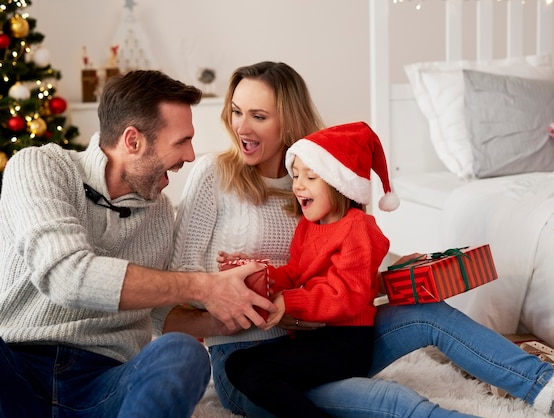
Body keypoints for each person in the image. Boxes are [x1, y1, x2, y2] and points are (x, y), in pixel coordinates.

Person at [161, 61, 554, 417]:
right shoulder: (214, 174)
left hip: (328, 340)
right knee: (392, 401)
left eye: (258, 116)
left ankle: (543, 385)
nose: (241, 127)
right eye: (236, 111)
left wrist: (383, 278)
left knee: (428, 313)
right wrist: (245, 297)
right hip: (248, 359)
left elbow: (342, 278)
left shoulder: (324, 180)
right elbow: (182, 282)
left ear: (288, 122)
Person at [0, 70, 276, 418]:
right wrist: (206, 285)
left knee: (184, 353)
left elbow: (160, 315)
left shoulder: (159, 214)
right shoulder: (41, 166)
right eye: (181, 141)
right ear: (133, 140)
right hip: (14, 369)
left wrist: (234, 312)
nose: (190, 155)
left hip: (104, 384)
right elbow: (66, 275)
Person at [225, 122, 395, 417]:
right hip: (313, 336)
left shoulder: (358, 228)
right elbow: (293, 273)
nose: (298, 184)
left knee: (258, 376)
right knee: (235, 364)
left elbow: (347, 297)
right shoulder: (308, 226)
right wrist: (257, 273)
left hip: (346, 343)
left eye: (311, 176)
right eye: (297, 175)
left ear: (338, 184)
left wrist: (290, 301)